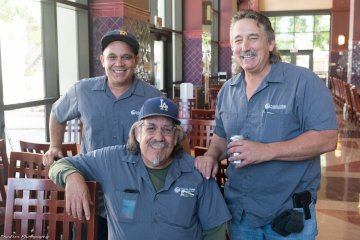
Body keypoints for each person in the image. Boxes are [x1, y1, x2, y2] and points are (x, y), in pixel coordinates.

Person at [195, 9, 338, 240]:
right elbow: (221, 136)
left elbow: (328, 138)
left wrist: (266, 151)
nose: (245, 46)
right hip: (240, 214)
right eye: (238, 40)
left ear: (270, 43)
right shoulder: (227, 91)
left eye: (253, 38)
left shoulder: (302, 82)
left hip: (288, 217)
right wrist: (212, 155)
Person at [49, 97, 232, 240]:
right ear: (137, 133)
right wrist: (72, 175)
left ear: (176, 138)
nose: (159, 137)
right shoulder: (112, 160)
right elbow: (59, 165)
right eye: (150, 128)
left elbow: (215, 229)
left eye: (167, 130)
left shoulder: (197, 171)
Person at [43, 29, 163, 239]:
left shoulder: (153, 97)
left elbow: (169, 140)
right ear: (102, 60)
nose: (119, 63)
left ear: (136, 60)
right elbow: (57, 113)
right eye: (112, 57)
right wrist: (55, 145)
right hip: (90, 192)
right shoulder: (83, 90)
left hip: (134, 195)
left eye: (126, 57)